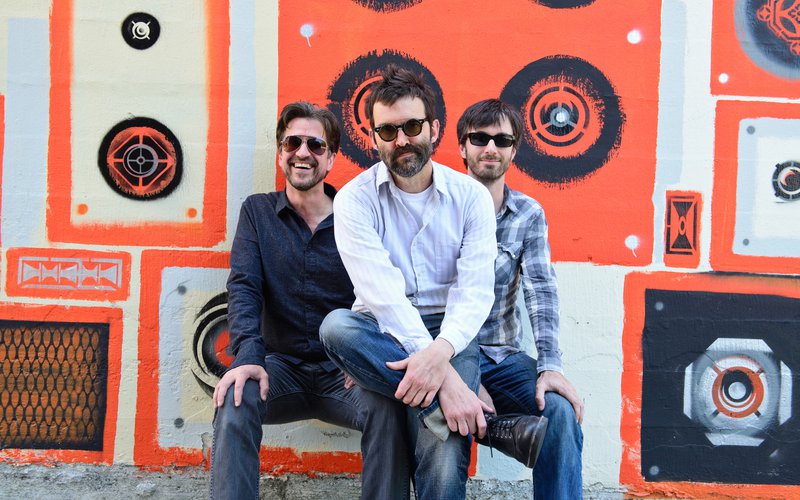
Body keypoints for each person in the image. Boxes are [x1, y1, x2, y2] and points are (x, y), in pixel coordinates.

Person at [319, 66, 546, 500]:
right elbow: (383, 296)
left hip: (451, 331)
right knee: (336, 327)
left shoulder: (470, 197)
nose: (401, 140)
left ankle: (460, 417)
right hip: (381, 329)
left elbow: (474, 292)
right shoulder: (354, 200)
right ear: (374, 138)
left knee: (442, 451)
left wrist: (439, 356)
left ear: (434, 129)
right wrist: (452, 385)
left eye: (412, 126)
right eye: (388, 131)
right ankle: (483, 422)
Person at [209, 101, 410, 500]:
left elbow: (381, 291)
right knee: (235, 398)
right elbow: (244, 287)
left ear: (331, 157)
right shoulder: (257, 213)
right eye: (293, 143)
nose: (303, 152)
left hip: (342, 372)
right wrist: (248, 357)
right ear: (280, 153)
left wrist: (364, 356)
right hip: (278, 368)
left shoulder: (356, 216)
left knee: (388, 409)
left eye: (315, 145)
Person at [458, 98, 584, 499]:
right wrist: (464, 379)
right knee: (445, 426)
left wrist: (550, 367)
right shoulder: (440, 206)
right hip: (448, 355)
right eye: (479, 138)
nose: (490, 148)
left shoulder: (528, 214)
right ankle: (493, 428)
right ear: (462, 146)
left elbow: (541, 292)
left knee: (559, 411)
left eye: (502, 140)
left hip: (501, 357)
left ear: (514, 151)